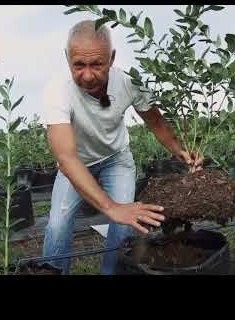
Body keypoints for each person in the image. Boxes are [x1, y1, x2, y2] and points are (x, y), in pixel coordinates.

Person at [42, 20, 204, 275]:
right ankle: (53, 272)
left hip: (116, 159)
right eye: (79, 65)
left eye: (97, 64)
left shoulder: (129, 82)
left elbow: (155, 121)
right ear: (67, 59)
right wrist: (110, 207)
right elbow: (66, 158)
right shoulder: (57, 92)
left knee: (125, 224)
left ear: (112, 58)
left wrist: (179, 150)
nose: (88, 75)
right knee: (57, 225)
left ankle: (113, 271)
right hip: (77, 163)